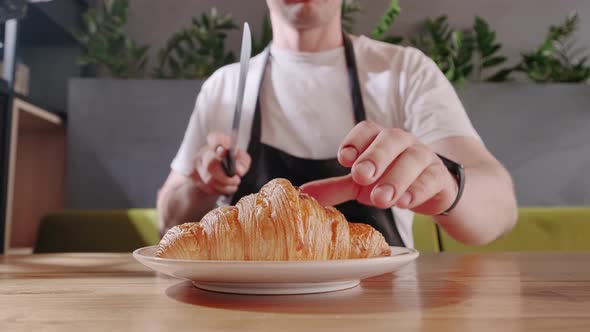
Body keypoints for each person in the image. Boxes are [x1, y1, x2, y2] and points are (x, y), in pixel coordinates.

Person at [157, 0, 517, 248]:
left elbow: (501, 210)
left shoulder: (404, 72)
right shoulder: (226, 86)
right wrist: (201, 187)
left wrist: (446, 186)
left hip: (383, 306)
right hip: (247, 310)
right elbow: (168, 223)